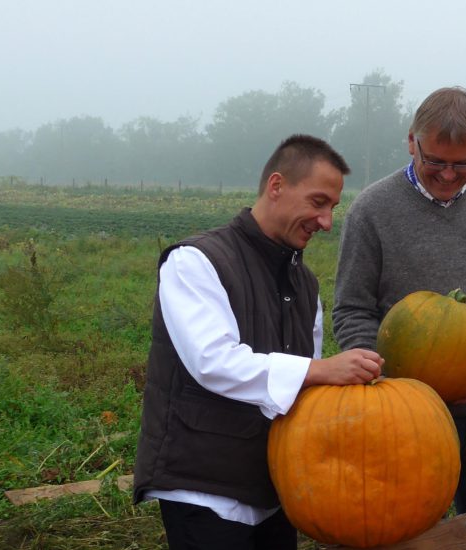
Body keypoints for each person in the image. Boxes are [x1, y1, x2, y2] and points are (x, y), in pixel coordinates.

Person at [134, 134, 383, 549]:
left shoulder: (305, 284)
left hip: (274, 491)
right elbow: (213, 361)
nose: (326, 222)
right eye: (318, 202)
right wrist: (321, 370)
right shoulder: (195, 261)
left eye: (333, 209)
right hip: (204, 490)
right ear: (276, 186)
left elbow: (305, 393)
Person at [332, 87, 466, 514]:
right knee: (407, 530)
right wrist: (381, 380)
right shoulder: (372, 210)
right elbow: (351, 308)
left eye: (463, 163)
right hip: (404, 417)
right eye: (435, 161)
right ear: (411, 141)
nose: (448, 175)